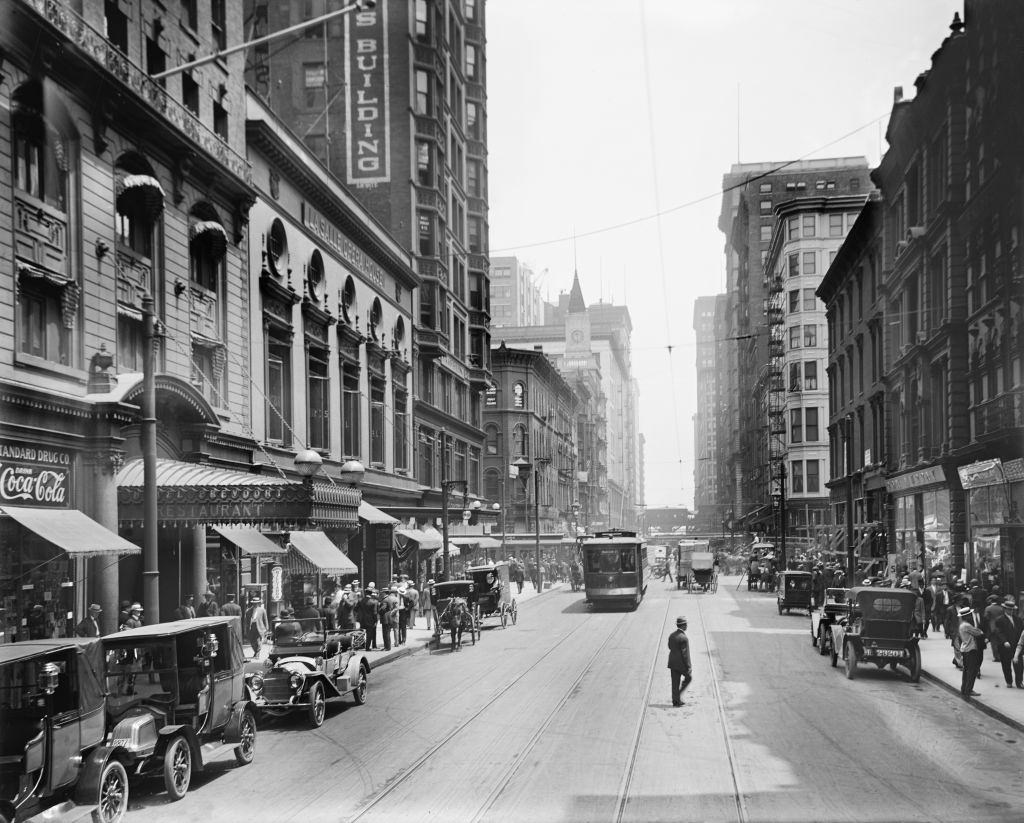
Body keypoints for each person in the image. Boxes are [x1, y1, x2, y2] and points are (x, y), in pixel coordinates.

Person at [992, 598, 1024, 688]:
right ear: (1005, 609)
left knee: (1019, 665)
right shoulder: (1000, 620)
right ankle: (1009, 681)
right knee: (1006, 665)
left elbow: (1021, 631)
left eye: (1012, 609)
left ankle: (1019, 682)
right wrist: (1004, 641)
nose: (1010, 611)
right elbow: (999, 632)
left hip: (1016, 646)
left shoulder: (1018, 619)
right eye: (1009, 609)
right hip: (1005, 646)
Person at [958, 605, 985, 699]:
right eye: (969, 615)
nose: (971, 616)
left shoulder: (962, 625)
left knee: (966, 671)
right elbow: (979, 633)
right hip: (971, 650)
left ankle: (964, 688)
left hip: (965, 649)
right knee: (972, 671)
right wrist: (980, 631)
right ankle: (969, 690)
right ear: (967, 616)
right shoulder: (967, 625)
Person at [667, 616, 692, 707]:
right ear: (683, 626)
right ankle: (679, 694)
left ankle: (675, 701)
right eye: (686, 624)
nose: (687, 626)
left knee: (675, 682)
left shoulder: (672, 635)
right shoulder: (683, 638)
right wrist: (688, 666)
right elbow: (685, 655)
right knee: (688, 677)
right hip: (681, 665)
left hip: (672, 663)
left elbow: (669, 647)